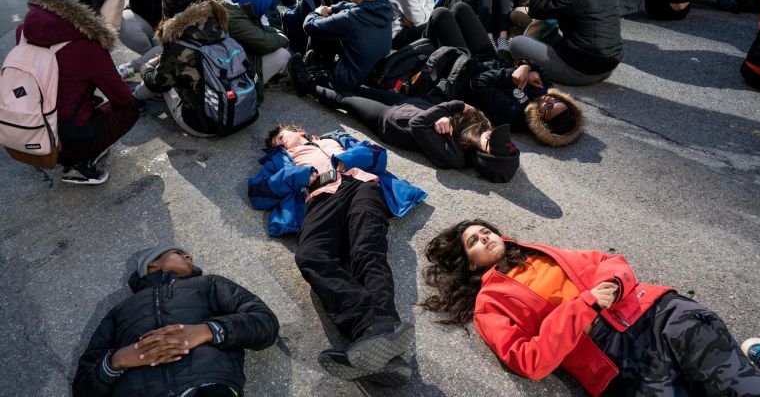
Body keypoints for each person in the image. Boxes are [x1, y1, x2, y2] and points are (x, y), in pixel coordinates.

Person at [420, 219, 760, 396]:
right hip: (618, 364)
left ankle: (754, 370)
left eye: (485, 231)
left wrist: (614, 284)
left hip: (660, 316)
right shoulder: (489, 304)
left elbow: (606, 261)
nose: (484, 237)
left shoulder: (539, 253)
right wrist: (583, 306)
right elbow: (529, 359)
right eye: (474, 242)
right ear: (470, 264)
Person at [247, 126, 427, 385]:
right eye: (276, 144)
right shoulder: (280, 160)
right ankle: (381, 340)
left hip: (360, 185)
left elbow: (378, 156)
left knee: (367, 250)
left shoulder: (337, 140)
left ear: (299, 131)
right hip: (321, 198)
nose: (280, 145)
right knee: (310, 256)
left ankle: (370, 337)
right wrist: (299, 175)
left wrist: (347, 159)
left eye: (281, 138)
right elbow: (259, 192)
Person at [72, 245, 279, 396]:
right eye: (178, 252)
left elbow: (264, 322)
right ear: (152, 263)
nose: (189, 255)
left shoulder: (207, 284)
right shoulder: (121, 310)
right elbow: (83, 387)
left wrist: (207, 331)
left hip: (207, 386)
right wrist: (117, 360)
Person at [17, 0, 140, 184]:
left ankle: (69, 150)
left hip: (28, 131)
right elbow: (121, 97)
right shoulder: (86, 45)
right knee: (131, 107)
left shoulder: (23, 32)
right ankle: (78, 164)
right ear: (83, 8)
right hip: (68, 141)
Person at [308, 86, 521, 181]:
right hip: (409, 103)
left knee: (344, 101)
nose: (492, 134)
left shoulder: (454, 158)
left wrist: (452, 108)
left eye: (493, 143)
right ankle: (321, 77)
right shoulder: (479, 131)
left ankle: (307, 85)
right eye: (500, 136)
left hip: (390, 120)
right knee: (358, 87)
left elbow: (418, 124)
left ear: (485, 158)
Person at [133, 0, 237, 137]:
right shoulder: (218, 22)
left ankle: (134, 100)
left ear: (168, 9)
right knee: (172, 67)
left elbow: (159, 84)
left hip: (204, 125)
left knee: (162, 75)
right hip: (236, 107)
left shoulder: (177, 42)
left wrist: (146, 67)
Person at [501, 0, 623, 86]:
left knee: (517, 43)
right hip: (608, 66)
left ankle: (514, 57)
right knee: (543, 29)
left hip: (581, 71)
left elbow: (535, 10)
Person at [295, 0, 394, 92]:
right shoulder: (385, 4)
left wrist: (316, 12)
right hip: (373, 71)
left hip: (348, 79)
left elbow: (309, 26)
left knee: (319, 33)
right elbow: (358, 6)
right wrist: (333, 8)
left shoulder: (350, 18)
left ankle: (314, 72)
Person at [90, 0, 190, 79]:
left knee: (173, 47)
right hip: (141, 23)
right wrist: (90, 16)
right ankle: (156, 62)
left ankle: (130, 68)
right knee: (125, 21)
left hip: (167, 33)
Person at [467, 60, 583, 146]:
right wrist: (526, 68)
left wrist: (514, 74)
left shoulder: (515, 114)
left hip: (465, 72)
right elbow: (538, 68)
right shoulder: (547, 92)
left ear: (541, 121)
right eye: (556, 100)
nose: (549, 99)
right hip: (490, 59)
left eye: (549, 107)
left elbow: (478, 82)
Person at [213, 0, 291, 97]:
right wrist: (283, 37)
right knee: (283, 54)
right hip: (232, 76)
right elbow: (267, 42)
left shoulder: (234, 7)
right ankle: (252, 88)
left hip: (230, 64)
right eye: (265, 2)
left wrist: (277, 34)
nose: (266, 6)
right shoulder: (235, 20)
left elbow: (262, 30)